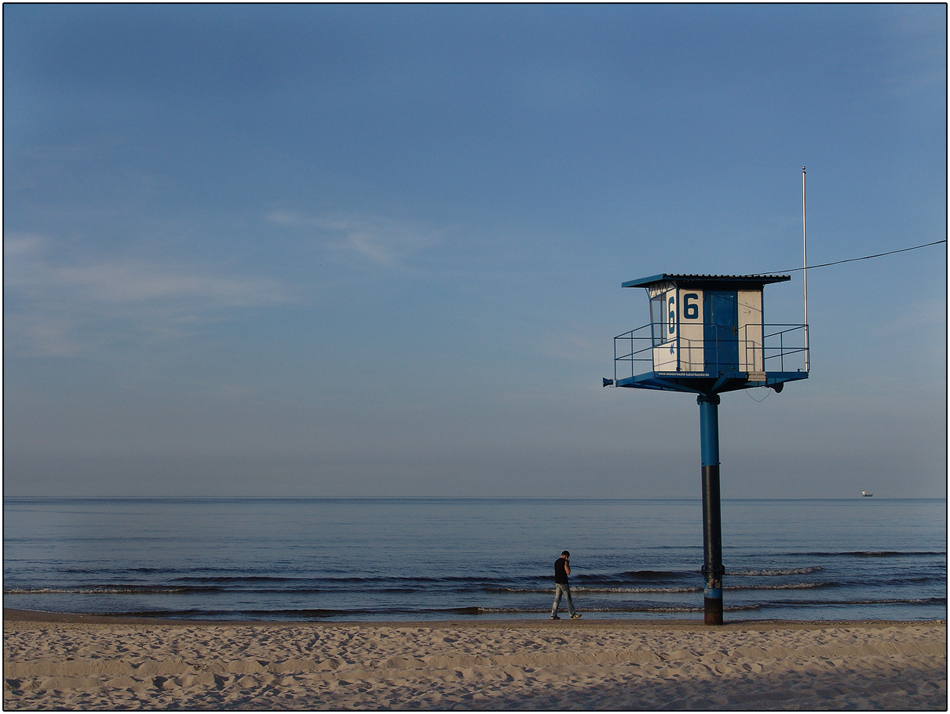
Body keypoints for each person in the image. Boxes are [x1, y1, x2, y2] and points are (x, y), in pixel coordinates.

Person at [551, 550, 581, 620]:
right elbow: (568, 572)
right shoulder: (565, 561)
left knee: (557, 599)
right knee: (568, 599)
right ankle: (572, 614)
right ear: (566, 556)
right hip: (563, 582)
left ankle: (553, 614)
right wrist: (567, 563)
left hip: (557, 582)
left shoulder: (556, 562)